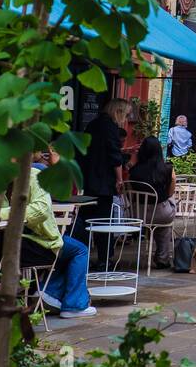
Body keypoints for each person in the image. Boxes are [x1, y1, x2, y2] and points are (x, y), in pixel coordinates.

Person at [11, 149, 95, 319]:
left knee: (70, 246)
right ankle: (73, 304)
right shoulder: (36, 172)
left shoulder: (5, 176)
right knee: (78, 250)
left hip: (15, 241)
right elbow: (58, 196)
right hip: (35, 241)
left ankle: (50, 292)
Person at [76, 98, 130, 261]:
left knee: (86, 221)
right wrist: (119, 179)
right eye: (126, 115)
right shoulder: (111, 128)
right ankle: (104, 259)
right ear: (118, 112)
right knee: (104, 223)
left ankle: (82, 257)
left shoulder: (93, 125)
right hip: (103, 183)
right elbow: (115, 157)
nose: (126, 119)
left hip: (88, 179)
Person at [128, 136, 177, 269]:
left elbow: (129, 192)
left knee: (157, 220)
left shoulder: (134, 171)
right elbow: (170, 193)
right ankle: (162, 257)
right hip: (160, 213)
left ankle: (157, 253)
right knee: (165, 220)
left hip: (137, 214)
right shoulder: (167, 169)